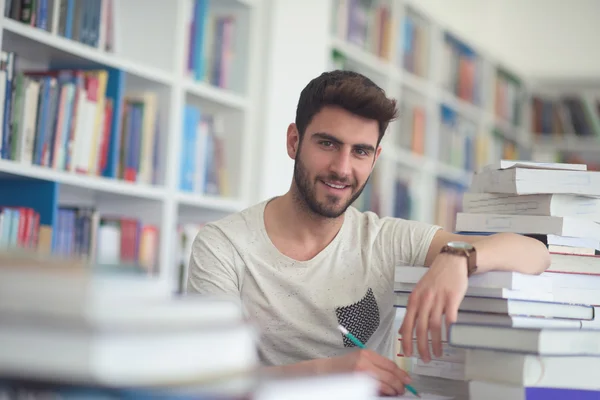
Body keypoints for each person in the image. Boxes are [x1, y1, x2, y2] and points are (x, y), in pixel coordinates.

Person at [186, 70, 550, 396]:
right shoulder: (223, 245)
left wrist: (458, 257)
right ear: (294, 141)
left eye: (359, 151)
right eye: (327, 143)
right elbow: (210, 379)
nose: (342, 168)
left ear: (374, 158)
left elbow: (535, 253)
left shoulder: (386, 240)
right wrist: (330, 372)